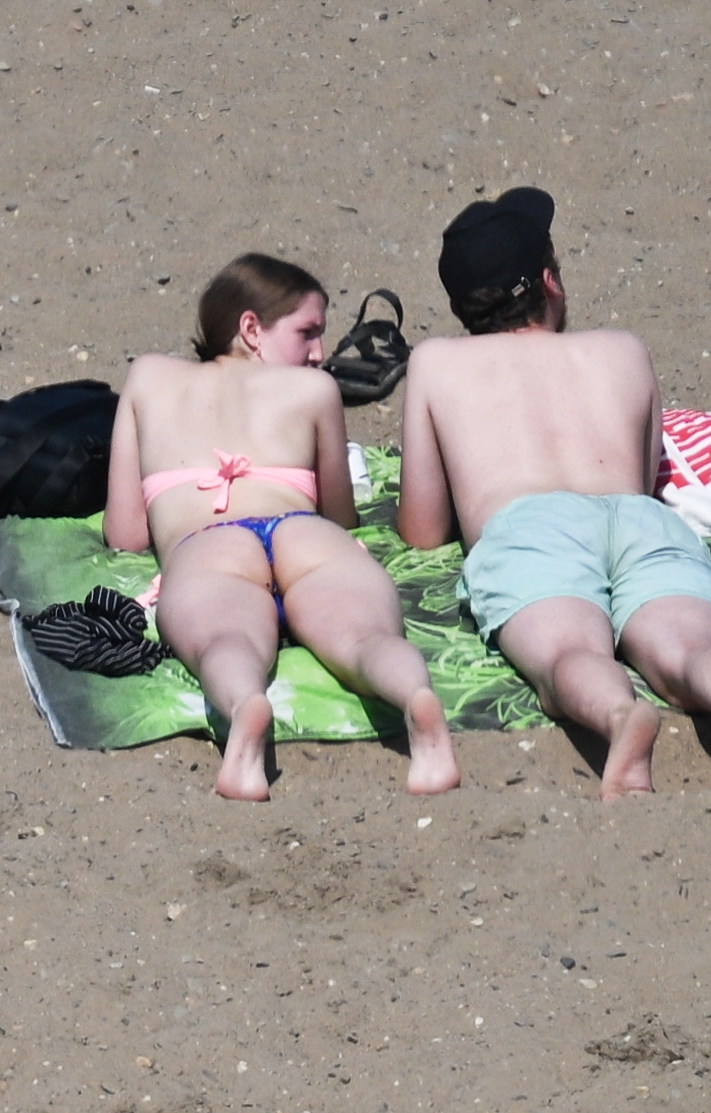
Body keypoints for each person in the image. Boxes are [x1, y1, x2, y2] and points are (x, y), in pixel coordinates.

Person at [392, 187, 711, 798]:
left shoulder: (438, 363)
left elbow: (421, 530)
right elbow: (645, 466)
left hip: (528, 527)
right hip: (636, 518)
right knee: (687, 651)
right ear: (550, 282)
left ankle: (619, 716)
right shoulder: (623, 349)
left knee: (568, 656)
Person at [101, 254, 458, 805]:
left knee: (228, 640)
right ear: (251, 329)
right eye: (308, 333)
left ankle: (246, 709)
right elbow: (339, 516)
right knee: (367, 638)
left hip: (210, 542)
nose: (320, 353)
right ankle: (414, 698)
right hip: (302, 533)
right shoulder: (313, 393)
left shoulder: (149, 377)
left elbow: (124, 531)